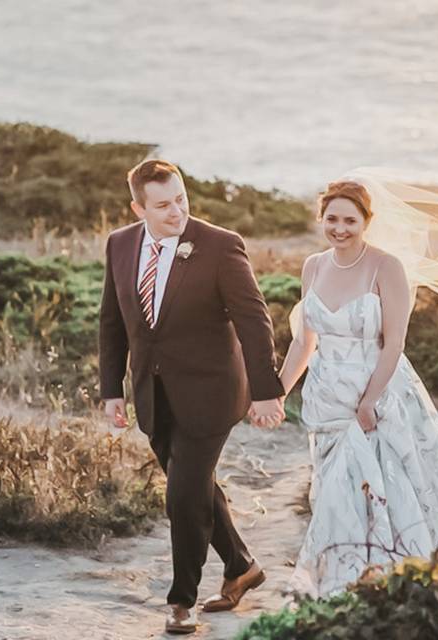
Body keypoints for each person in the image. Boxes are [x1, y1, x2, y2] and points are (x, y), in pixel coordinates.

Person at [278, 174, 438, 596]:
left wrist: (370, 400)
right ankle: (348, 576)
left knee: (389, 488)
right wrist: (280, 390)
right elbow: (305, 341)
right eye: (332, 219)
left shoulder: (385, 266)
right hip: (326, 400)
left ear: (366, 221)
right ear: (321, 218)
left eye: (349, 221)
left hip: (377, 393)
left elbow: (394, 341)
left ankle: (394, 574)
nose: (339, 229)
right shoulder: (313, 266)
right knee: (337, 494)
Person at [98, 159, 286, 634]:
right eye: (162, 205)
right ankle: (242, 565)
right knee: (197, 487)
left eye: (180, 199)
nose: (176, 212)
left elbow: (254, 319)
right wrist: (111, 390)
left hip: (212, 392)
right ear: (138, 207)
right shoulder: (119, 244)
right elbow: (112, 322)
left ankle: (181, 601)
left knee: (182, 496)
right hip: (152, 394)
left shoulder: (220, 246)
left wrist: (267, 391)